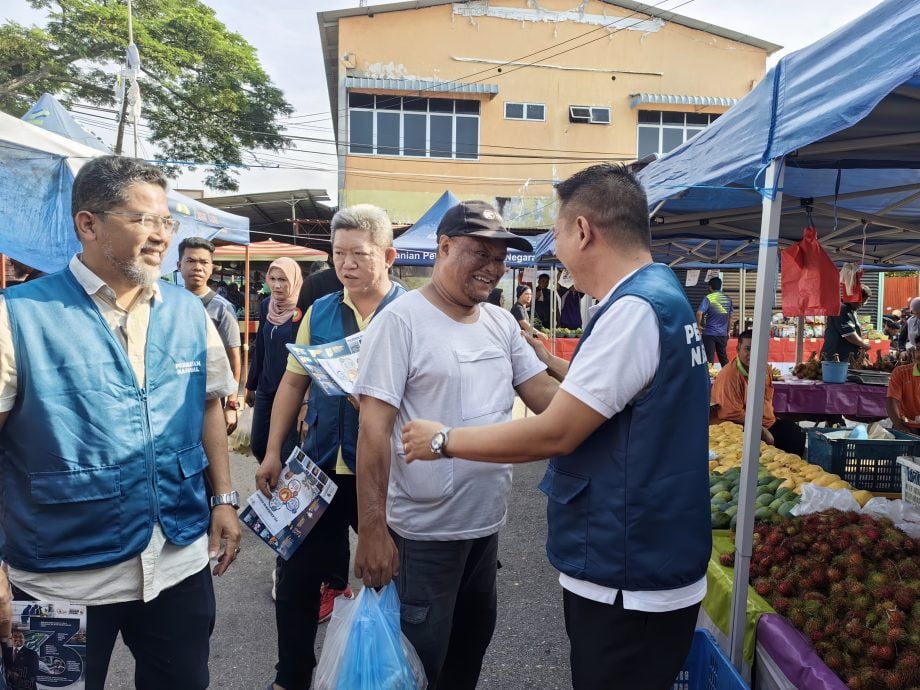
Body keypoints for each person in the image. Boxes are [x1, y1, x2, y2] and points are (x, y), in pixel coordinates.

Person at [401, 165, 711, 690]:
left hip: (627, 566)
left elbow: (555, 431)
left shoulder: (634, 309)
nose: (558, 253)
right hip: (649, 551)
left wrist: (442, 439)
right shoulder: (661, 296)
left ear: (584, 230)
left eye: (559, 235)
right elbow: (600, 399)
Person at [0, 155, 241, 690]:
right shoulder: (17, 315)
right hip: (59, 577)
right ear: (87, 223)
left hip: (176, 561)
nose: (161, 237)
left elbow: (206, 404)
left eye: (167, 223)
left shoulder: (186, 310)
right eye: (144, 220)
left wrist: (223, 499)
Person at [353, 200, 559, 689]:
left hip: (485, 527)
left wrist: (607, 394)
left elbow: (544, 396)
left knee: (469, 651)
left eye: (500, 257)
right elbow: (373, 431)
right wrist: (373, 530)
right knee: (419, 663)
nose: (492, 268)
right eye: (480, 253)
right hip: (424, 534)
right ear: (443, 247)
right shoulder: (399, 322)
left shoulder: (500, 324)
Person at [255, 204, 405, 690]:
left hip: (384, 471)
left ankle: (384, 672)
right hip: (318, 463)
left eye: (359, 254)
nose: (347, 264)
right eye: (339, 254)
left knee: (387, 574)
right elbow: (292, 386)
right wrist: (274, 450)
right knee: (295, 576)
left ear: (387, 255)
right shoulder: (319, 311)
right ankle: (291, 675)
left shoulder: (409, 313)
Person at [178, 236, 242, 434]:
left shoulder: (222, 308)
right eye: (190, 261)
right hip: (176, 391)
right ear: (179, 265)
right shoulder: (169, 303)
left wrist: (231, 404)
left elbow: (234, 359)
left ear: (212, 267)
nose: (197, 267)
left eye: (204, 262)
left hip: (210, 395)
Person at [245, 257, 304, 463]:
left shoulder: (303, 309)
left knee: (287, 451)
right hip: (266, 388)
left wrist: (306, 398)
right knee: (259, 445)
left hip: (291, 391)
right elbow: (260, 344)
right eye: (273, 278)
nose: (277, 285)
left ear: (295, 280)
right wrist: (251, 385)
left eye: (284, 280)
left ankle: (283, 494)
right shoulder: (266, 306)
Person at [711, 330, 806, 455]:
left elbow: (766, 400)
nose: (753, 353)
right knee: (789, 440)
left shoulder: (765, 368)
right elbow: (730, 414)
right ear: (738, 349)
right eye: (748, 349)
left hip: (765, 422)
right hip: (736, 426)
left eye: (757, 348)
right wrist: (761, 430)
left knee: (797, 433)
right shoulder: (729, 376)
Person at [821, 285, 872, 363]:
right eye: (861, 302)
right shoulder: (841, 309)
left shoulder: (851, 310)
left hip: (847, 357)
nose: (862, 305)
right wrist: (864, 345)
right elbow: (849, 334)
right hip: (836, 358)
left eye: (864, 303)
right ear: (854, 297)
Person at [696, 276, 733, 366]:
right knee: (723, 357)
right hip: (722, 334)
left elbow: (699, 313)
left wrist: (698, 326)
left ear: (710, 287)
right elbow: (730, 317)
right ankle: (727, 376)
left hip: (710, 334)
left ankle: (709, 379)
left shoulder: (709, 298)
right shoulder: (727, 298)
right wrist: (728, 330)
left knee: (709, 359)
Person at [886, 335, 920, 431]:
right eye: (918, 349)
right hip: (907, 427)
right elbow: (892, 399)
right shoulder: (901, 372)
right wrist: (898, 425)